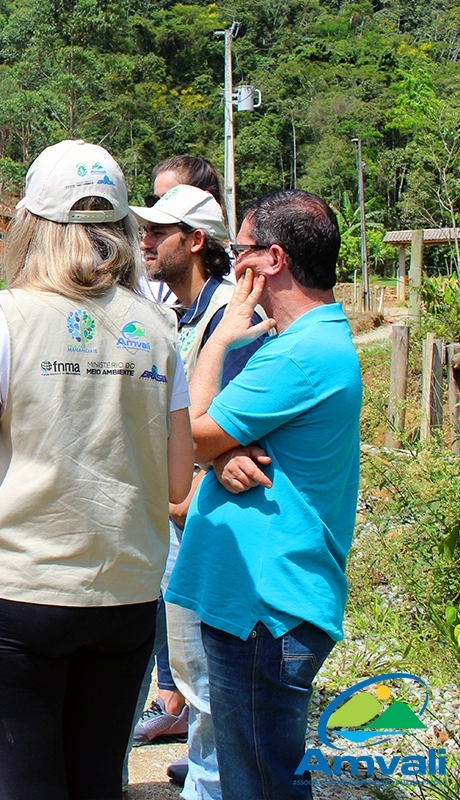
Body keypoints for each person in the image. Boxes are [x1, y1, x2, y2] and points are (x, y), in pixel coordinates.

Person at [0, 140, 194, 800]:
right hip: (125, 594)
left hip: (19, 593)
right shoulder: (160, 327)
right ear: (123, 231)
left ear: (34, 223)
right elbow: (175, 483)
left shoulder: (0, 317)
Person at [166, 189, 361, 800]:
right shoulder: (310, 340)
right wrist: (224, 453)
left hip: (265, 604)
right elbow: (211, 443)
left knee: (259, 784)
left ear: (271, 260)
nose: (233, 264)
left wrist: (221, 339)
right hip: (264, 600)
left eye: (240, 251)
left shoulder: (298, 356)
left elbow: (187, 432)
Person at [129, 184, 267, 799]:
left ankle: (212, 785)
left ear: (196, 242)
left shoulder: (229, 320)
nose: (147, 241)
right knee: (189, 669)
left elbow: (226, 429)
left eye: (161, 231)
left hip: (198, 519)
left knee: (206, 672)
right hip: (176, 511)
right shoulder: (180, 314)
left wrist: (214, 461)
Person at [141, 155, 225, 308]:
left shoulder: (231, 307)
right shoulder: (149, 280)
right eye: (154, 200)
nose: (144, 244)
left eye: (170, 197)